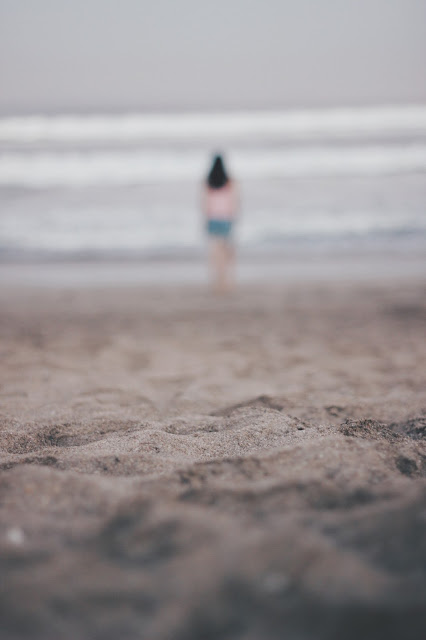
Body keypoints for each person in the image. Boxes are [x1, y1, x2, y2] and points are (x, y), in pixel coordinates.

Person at [202, 154, 239, 293]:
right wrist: (234, 216)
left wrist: (206, 218)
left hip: (213, 217)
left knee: (215, 251)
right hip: (226, 218)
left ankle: (217, 280)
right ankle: (227, 280)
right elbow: (234, 200)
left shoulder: (208, 182)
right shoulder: (229, 181)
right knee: (227, 251)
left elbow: (204, 202)